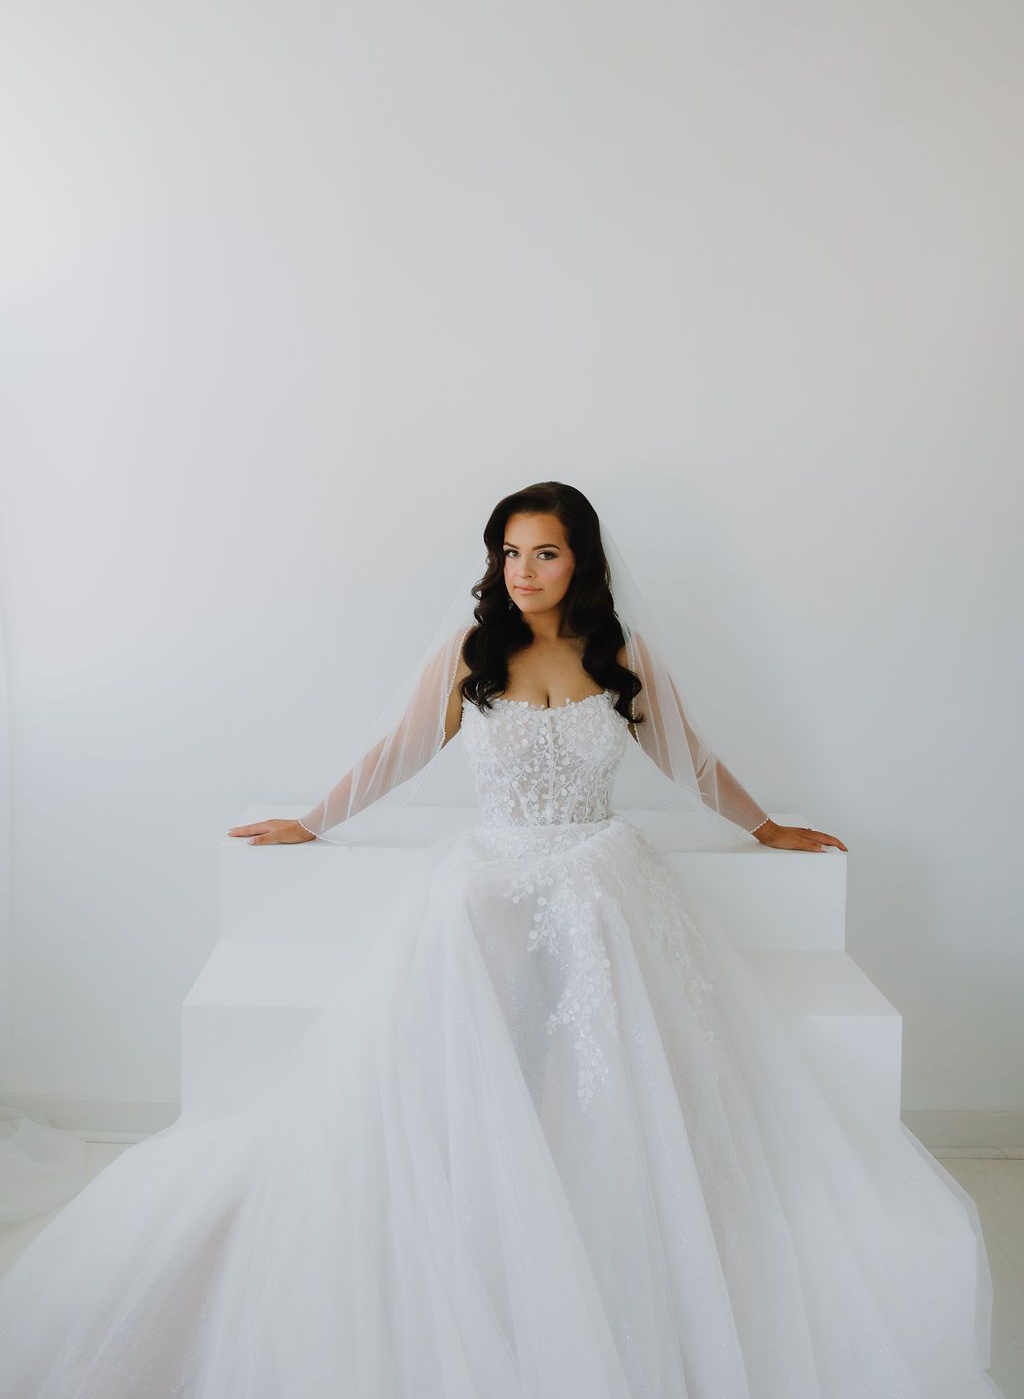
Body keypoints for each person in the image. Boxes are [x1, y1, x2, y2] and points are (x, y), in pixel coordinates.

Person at [0, 482, 1002, 1397]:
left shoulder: (623, 657)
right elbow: (393, 750)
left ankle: (600, 1244)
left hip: (604, 880)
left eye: (546, 554)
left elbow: (690, 758)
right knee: (471, 1068)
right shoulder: (470, 653)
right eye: (511, 553)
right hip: (486, 886)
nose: (524, 572)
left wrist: (764, 825)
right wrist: (312, 818)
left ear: (583, 563)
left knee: (614, 1079)